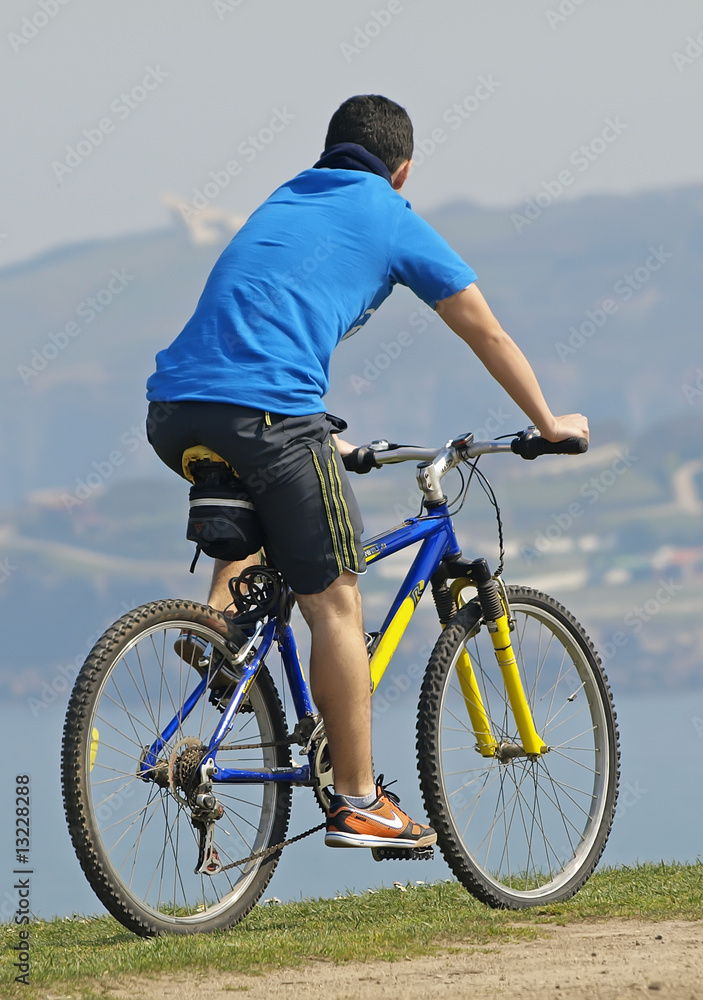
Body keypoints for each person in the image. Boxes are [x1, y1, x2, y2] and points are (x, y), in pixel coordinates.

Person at [146, 94, 589, 852]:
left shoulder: (284, 198)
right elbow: (485, 329)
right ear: (402, 169)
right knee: (336, 605)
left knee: (259, 502)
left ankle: (222, 636)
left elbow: (262, 320)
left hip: (175, 409)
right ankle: (357, 800)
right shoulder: (388, 214)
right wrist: (549, 424)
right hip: (270, 415)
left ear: (329, 151)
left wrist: (331, 443)